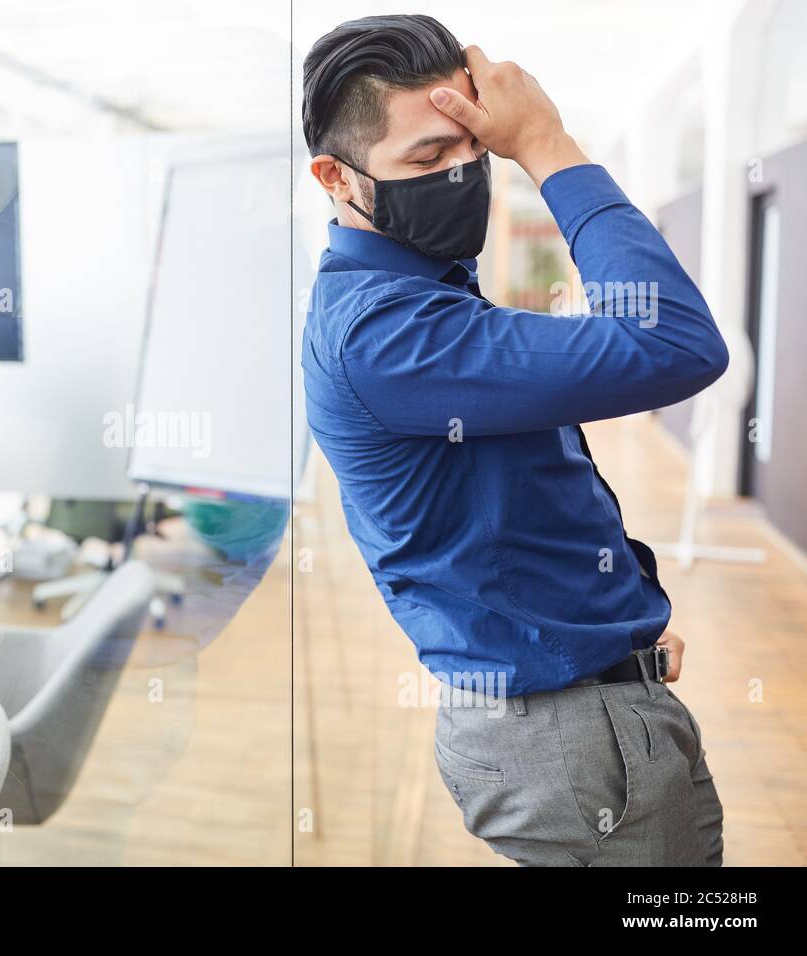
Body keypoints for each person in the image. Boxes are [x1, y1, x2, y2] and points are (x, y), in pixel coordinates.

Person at [300, 14, 727, 866]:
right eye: (425, 160)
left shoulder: (432, 296)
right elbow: (675, 342)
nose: (460, 176)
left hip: (583, 709)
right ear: (336, 178)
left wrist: (618, 626)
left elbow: (514, 491)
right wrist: (547, 142)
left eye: (473, 150)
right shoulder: (388, 333)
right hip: (573, 743)